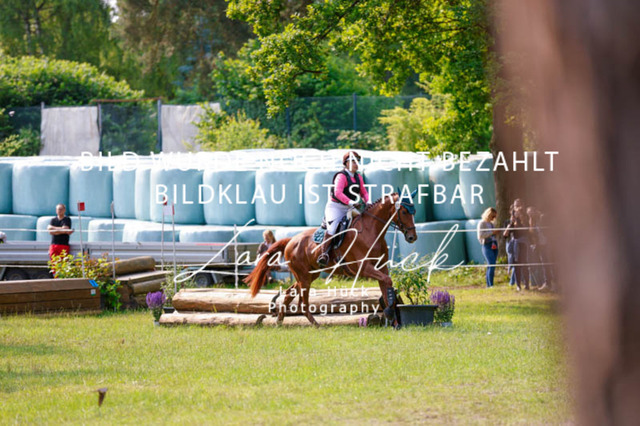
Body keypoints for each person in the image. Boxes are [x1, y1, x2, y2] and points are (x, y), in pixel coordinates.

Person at [317, 151, 370, 266]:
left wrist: (368, 201)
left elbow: (364, 192)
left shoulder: (358, 177)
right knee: (332, 229)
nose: (356, 164)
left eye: (357, 161)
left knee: (361, 224)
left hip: (350, 207)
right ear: (346, 163)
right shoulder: (341, 176)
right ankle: (324, 254)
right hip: (336, 207)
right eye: (353, 161)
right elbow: (338, 193)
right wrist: (351, 202)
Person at [503, 203, 530, 290]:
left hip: (523, 245)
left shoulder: (525, 223)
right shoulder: (511, 223)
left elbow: (528, 233)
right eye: (516, 213)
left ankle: (527, 284)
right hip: (515, 246)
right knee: (516, 265)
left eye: (519, 213)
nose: (517, 215)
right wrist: (509, 225)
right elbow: (505, 235)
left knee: (524, 265)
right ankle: (518, 285)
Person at [477, 207, 500, 288]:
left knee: (492, 265)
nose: (493, 218)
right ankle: (490, 285)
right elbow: (480, 235)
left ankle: (489, 284)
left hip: (494, 244)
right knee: (491, 263)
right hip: (487, 245)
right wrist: (492, 232)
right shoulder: (482, 223)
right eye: (492, 216)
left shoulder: (491, 224)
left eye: (495, 217)